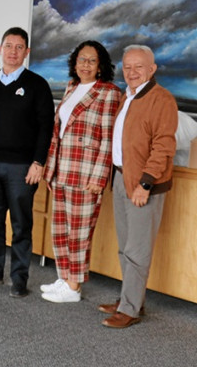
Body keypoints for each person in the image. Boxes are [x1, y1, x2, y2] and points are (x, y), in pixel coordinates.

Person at [0, 27, 54, 298]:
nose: (13, 51)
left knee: (21, 223)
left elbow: (46, 127)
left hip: (22, 167)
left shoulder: (38, 85)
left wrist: (38, 162)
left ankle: (19, 278)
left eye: (19, 47)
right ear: (0, 48)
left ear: (27, 52)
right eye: (9, 45)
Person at [98, 45, 177, 328]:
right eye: (127, 67)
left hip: (144, 184)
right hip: (121, 178)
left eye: (138, 67)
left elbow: (164, 146)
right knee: (125, 247)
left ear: (152, 69)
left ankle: (129, 310)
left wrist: (145, 183)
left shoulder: (162, 99)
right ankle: (129, 299)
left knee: (137, 249)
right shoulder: (126, 96)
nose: (131, 72)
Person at [40, 40, 121, 303]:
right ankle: (65, 277)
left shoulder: (108, 92)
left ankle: (74, 287)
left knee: (79, 231)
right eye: (81, 59)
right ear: (74, 63)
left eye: (91, 61)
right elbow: (59, 132)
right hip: (63, 168)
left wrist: (99, 177)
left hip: (86, 172)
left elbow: (109, 139)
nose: (85, 64)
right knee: (61, 229)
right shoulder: (72, 87)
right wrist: (51, 171)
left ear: (100, 67)